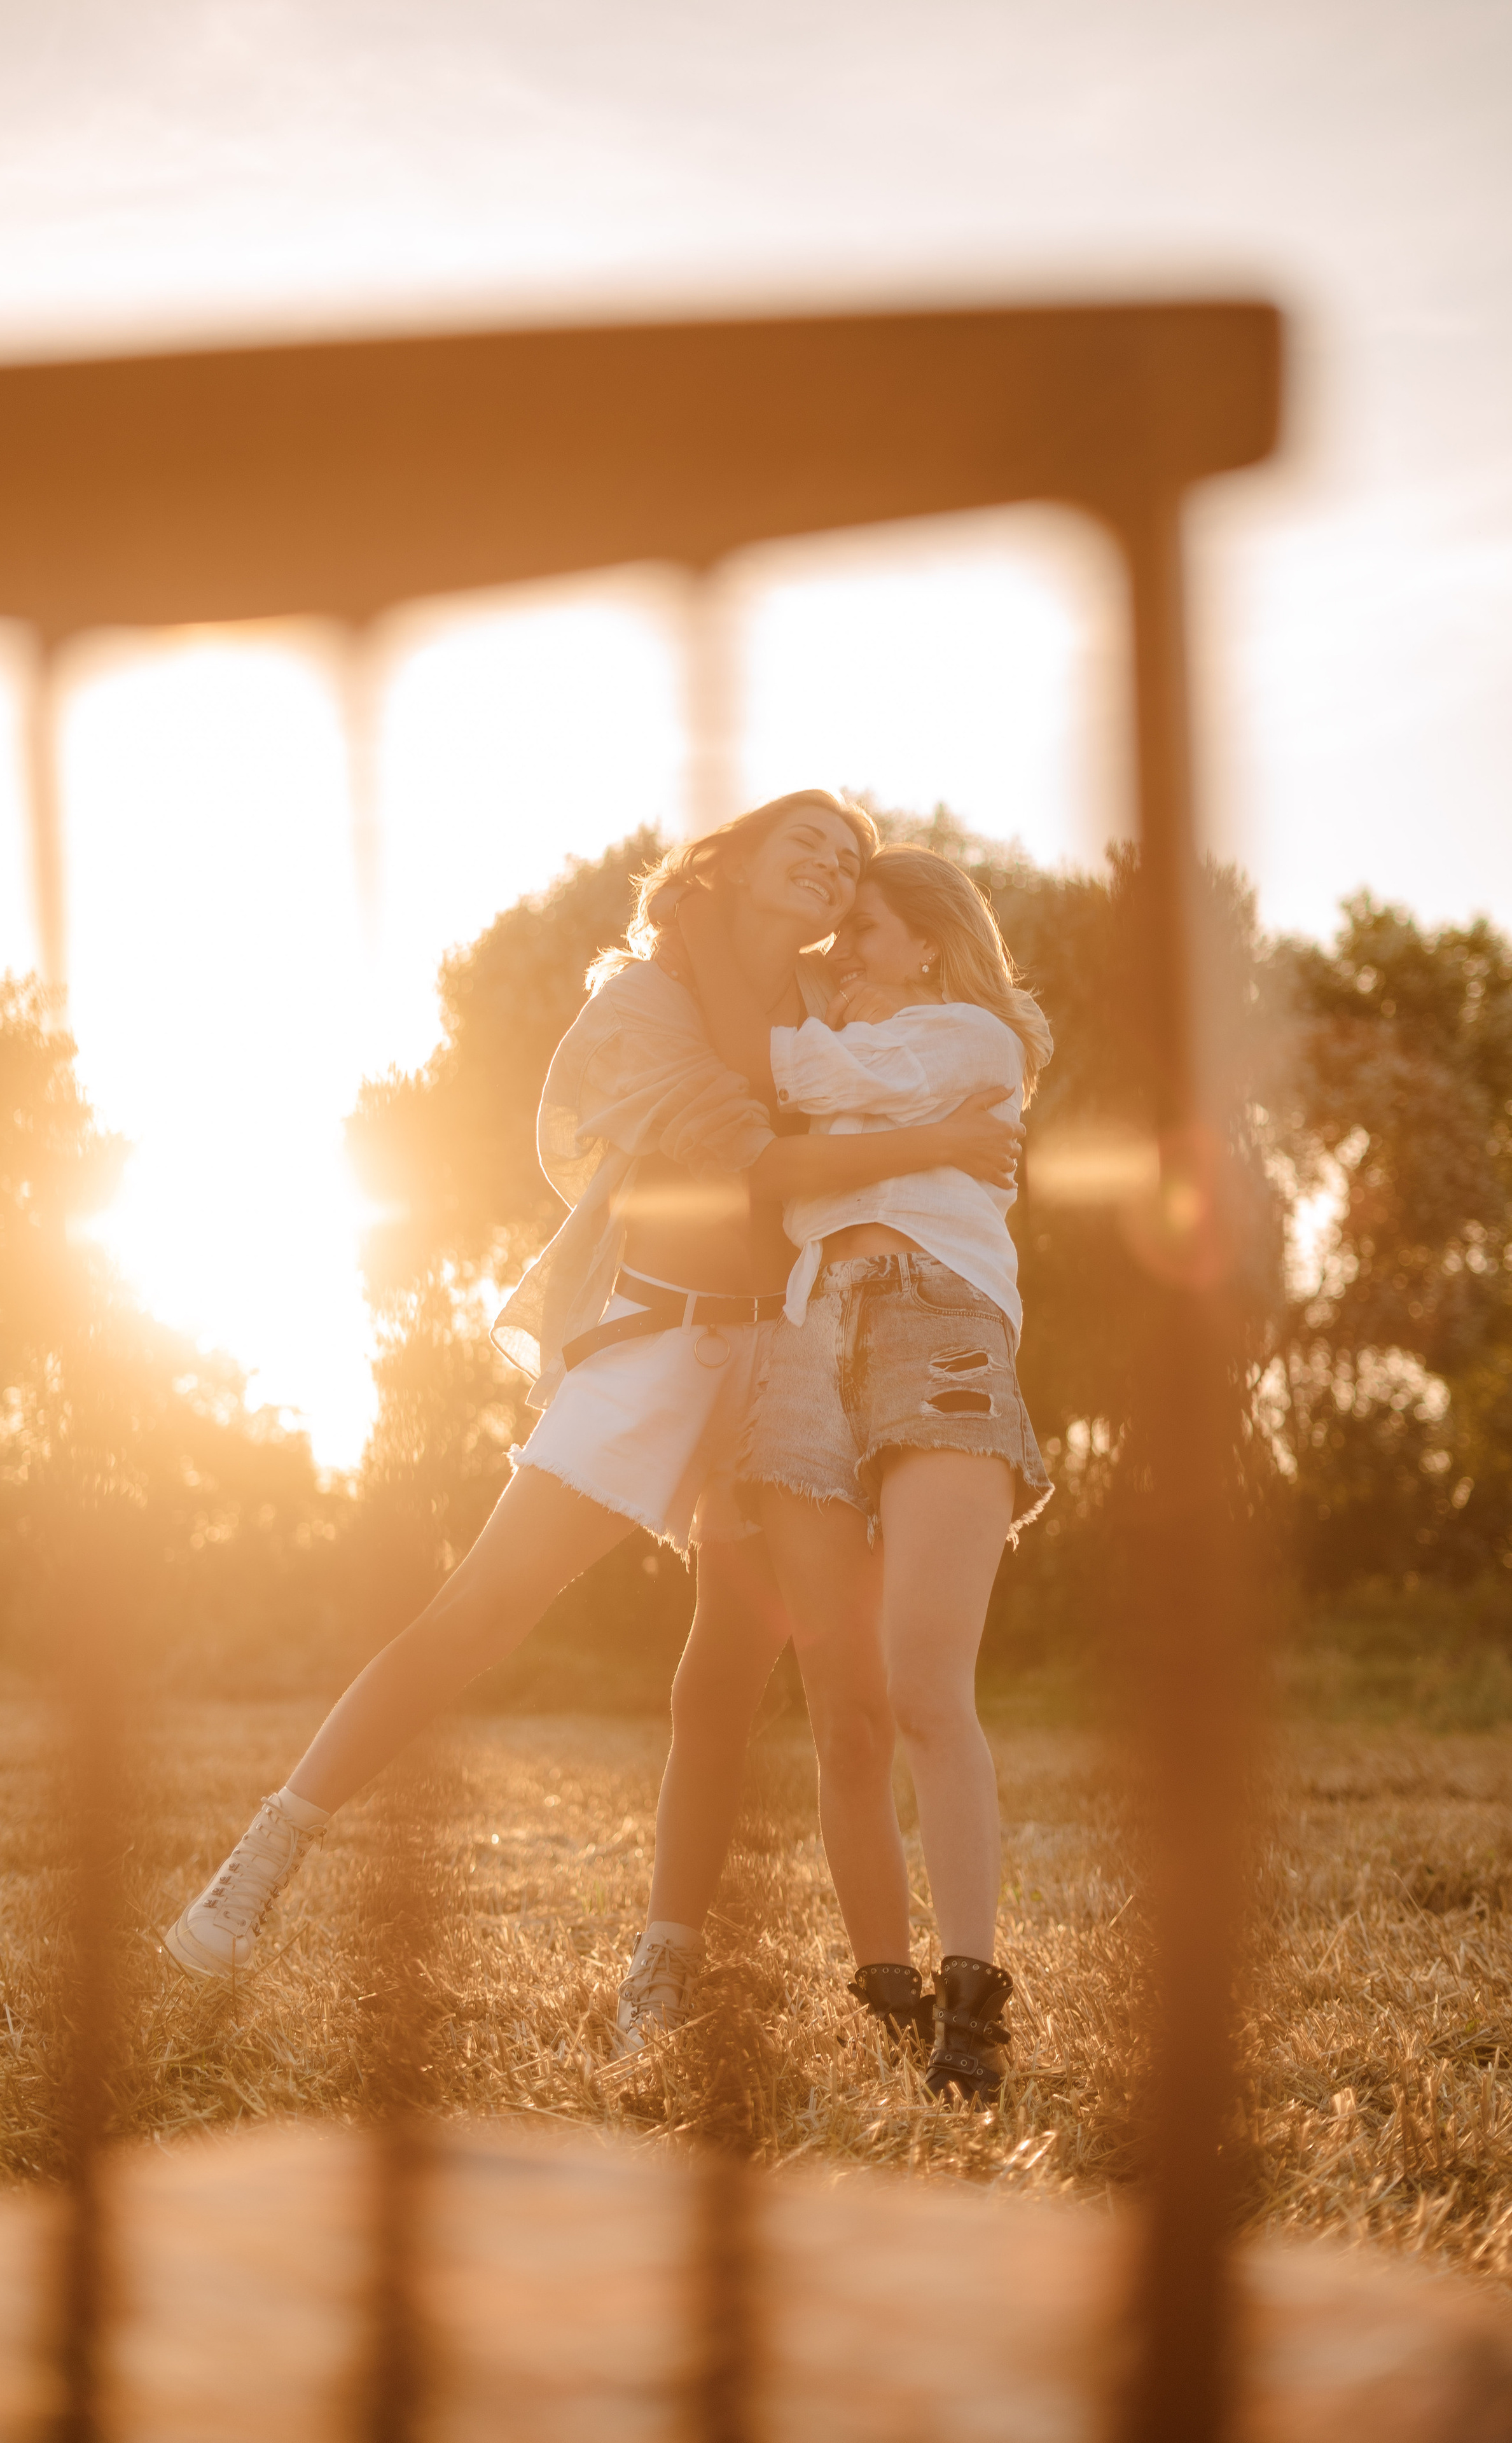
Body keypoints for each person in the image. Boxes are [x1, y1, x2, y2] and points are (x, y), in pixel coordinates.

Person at [160, 795, 1022, 2012]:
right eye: (805, 846)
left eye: (847, 860)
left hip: (787, 1359)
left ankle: (666, 1963)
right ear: (727, 865)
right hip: (660, 1345)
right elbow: (754, 1157)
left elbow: (911, 1074)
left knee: (726, 1676)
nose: (832, 869)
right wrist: (937, 1140)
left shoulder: (832, 1009)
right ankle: (267, 1854)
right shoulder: (647, 1003)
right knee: (482, 1608)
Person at [666, 843, 1052, 2100]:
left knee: (925, 1682)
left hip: (931, 1325)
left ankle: (971, 2002)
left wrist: (696, 929)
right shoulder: (852, 1050)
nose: (842, 954)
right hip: (803, 1338)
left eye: (865, 931)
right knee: (844, 1713)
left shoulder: (966, 1041)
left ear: (929, 941)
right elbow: (762, 1157)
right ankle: (886, 1993)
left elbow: (780, 1069)